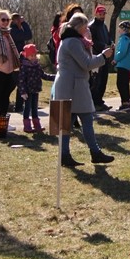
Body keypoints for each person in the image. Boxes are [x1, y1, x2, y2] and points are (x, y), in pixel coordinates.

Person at [54, 13, 115, 166]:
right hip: (73, 86)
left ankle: (71, 155)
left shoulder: (71, 40)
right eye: (85, 27)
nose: (87, 29)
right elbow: (86, 63)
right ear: (79, 27)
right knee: (78, 121)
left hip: (71, 85)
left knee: (70, 123)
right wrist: (104, 56)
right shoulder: (73, 42)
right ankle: (91, 153)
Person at [17, 44, 55, 132]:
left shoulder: (37, 66)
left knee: (35, 107)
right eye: (31, 55)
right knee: (27, 108)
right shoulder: (24, 67)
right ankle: (27, 125)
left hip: (36, 90)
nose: (33, 57)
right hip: (27, 91)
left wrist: (55, 77)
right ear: (26, 56)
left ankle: (36, 124)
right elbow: (21, 80)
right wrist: (23, 92)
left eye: (34, 55)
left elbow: (43, 75)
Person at [89, 5, 113, 111]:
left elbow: (108, 38)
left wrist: (111, 43)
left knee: (103, 81)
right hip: (96, 57)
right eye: (100, 14)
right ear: (96, 13)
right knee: (96, 82)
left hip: (105, 58)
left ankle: (99, 101)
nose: (102, 16)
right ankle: (94, 102)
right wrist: (103, 46)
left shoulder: (104, 26)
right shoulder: (91, 26)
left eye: (103, 14)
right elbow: (92, 42)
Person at [10, 13, 33, 114]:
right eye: (18, 20)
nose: (19, 21)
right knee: (19, 82)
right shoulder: (13, 30)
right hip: (15, 59)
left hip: (19, 59)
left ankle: (19, 105)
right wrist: (24, 24)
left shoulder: (16, 29)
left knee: (19, 82)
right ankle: (18, 106)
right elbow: (28, 35)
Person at [112, 21, 130, 111]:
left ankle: (125, 103)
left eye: (120, 28)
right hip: (127, 65)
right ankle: (126, 103)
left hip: (122, 64)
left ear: (123, 29)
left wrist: (115, 59)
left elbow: (122, 51)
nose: (118, 30)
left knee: (121, 84)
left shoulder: (124, 39)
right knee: (125, 83)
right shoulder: (129, 38)